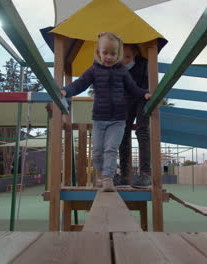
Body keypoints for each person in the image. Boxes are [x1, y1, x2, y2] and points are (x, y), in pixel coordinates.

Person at [60, 32, 151, 192]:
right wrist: (66, 91)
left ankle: (108, 178)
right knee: (97, 151)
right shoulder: (93, 70)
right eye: (105, 53)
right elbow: (80, 84)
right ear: (98, 53)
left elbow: (133, 88)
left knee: (111, 149)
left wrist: (144, 93)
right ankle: (101, 175)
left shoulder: (122, 71)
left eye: (113, 54)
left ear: (118, 54)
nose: (109, 57)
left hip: (118, 119)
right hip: (100, 119)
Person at [116, 44, 151, 188]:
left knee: (142, 130)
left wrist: (148, 92)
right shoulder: (116, 66)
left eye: (128, 57)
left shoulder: (145, 64)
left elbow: (151, 81)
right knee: (123, 132)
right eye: (121, 57)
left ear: (135, 53)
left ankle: (145, 174)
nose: (124, 60)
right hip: (126, 99)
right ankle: (124, 175)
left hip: (144, 97)